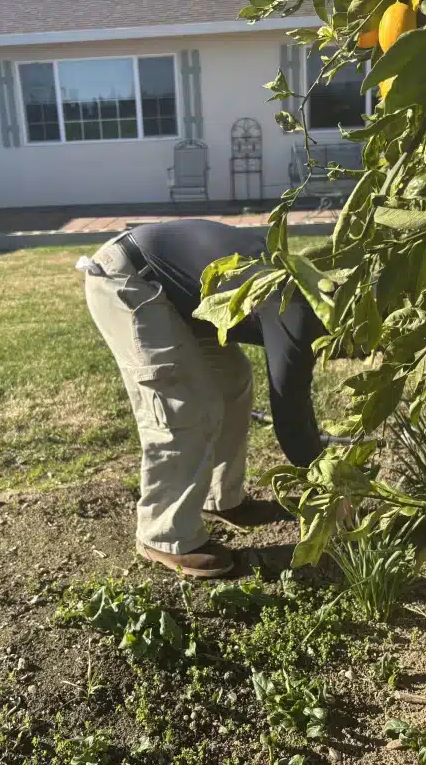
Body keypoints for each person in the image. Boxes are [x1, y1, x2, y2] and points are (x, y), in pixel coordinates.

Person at [80, 219, 326, 578]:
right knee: (185, 402)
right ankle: (164, 535)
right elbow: (292, 415)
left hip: (183, 292)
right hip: (131, 277)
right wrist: (326, 484)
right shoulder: (298, 311)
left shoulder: (307, 294)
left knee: (232, 382)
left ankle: (221, 500)